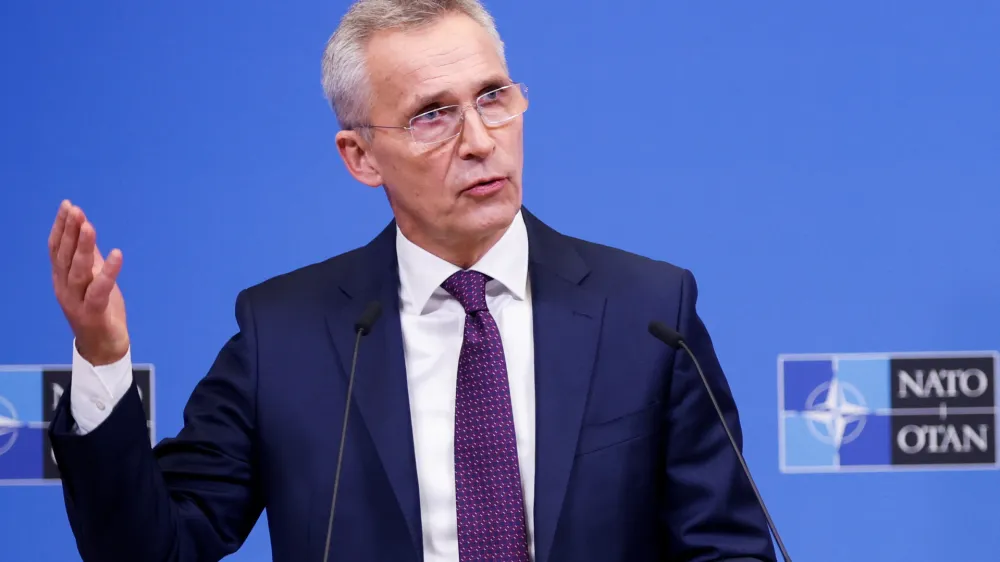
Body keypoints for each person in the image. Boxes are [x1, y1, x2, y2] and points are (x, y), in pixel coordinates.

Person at [46, 1, 777, 561]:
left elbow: (727, 549)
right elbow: (153, 549)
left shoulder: (647, 311)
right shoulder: (286, 335)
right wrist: (103, 360)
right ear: (360, 157)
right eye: (432, 115)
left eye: (493, 97)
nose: (480, 140)